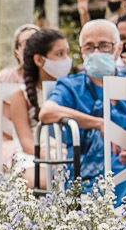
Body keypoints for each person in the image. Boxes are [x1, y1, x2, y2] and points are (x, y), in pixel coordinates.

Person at [39, 19, 126, 189]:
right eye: (89, 47)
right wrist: (99, 124)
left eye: (104, 45)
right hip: (85, 178)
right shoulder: (70, 86)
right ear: (82, 52)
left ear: (118, 49)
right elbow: (47, 112)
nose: (96, 52)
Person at [5, 29, 74, 185]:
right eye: (59, 54)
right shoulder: (20, 96)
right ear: (39, 60)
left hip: (67, 152)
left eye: (67, 54)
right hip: (33, 155)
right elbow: (26, 142)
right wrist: (50, 157)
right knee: (45, 181)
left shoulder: (72, 91)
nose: (66, 60)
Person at [0, 23, 37, 171]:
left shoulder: (50, 79)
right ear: (17, 51)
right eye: (27, 43)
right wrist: (28, 140)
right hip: (9, 143)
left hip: (41, 143)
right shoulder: (7, 76)